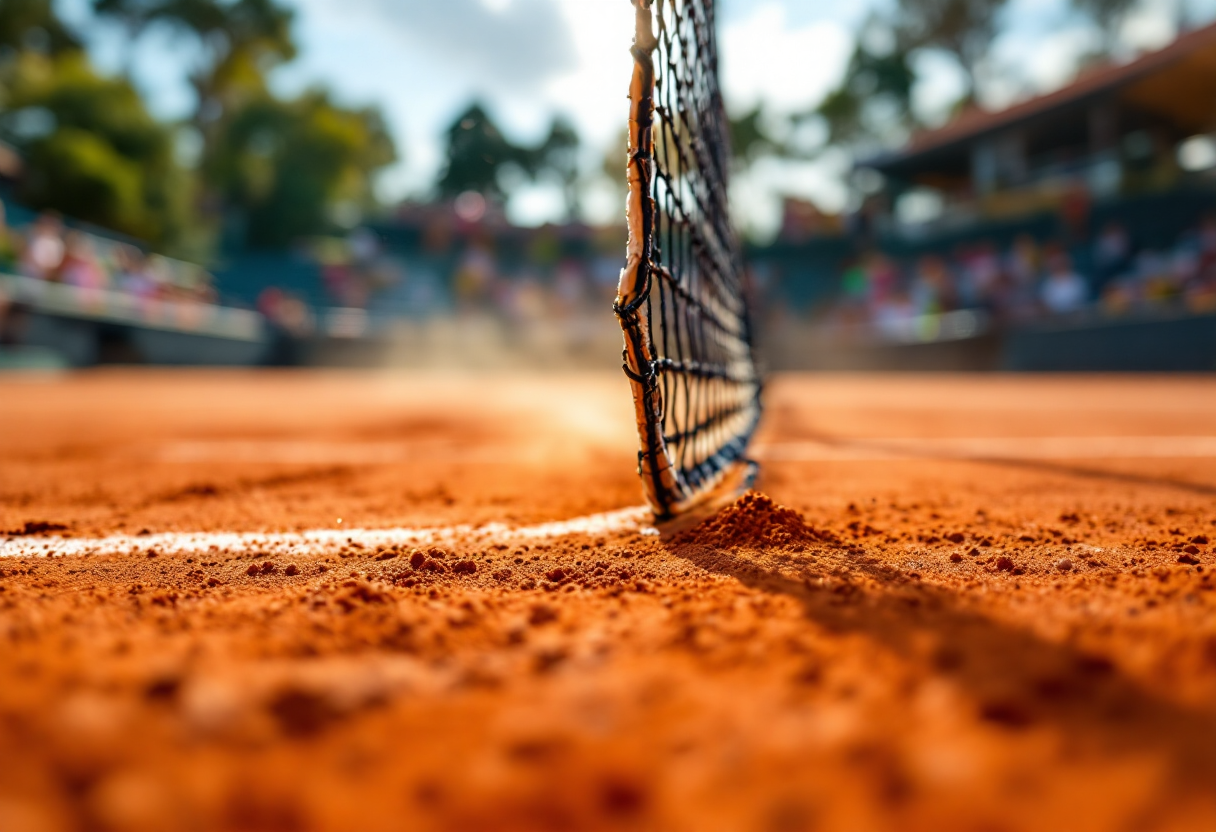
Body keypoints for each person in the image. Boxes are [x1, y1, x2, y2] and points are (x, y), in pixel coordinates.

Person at [20, 213, 64, 280]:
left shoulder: (57, 244)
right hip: (26, 274)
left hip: (43, 277)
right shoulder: (32, 236)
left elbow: (54, 263)